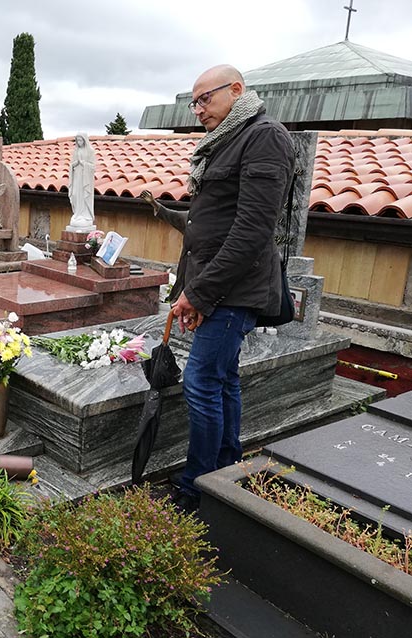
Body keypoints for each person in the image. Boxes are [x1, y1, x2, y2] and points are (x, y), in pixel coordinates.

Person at [148, 65, 294, 512]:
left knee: (201, 381)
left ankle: (197, 487)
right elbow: (207, 225)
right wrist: (190, 290)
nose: (197, 111)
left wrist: (201, 292)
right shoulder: (228, 139)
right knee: (223, 378)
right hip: (220, 287)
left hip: (237, 289)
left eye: (204, 100)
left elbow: (252, 230)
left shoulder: (264, 137)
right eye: (193, 103)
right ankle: (227, 471)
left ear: (235, 90)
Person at [67, 132, 96, 229]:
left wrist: (84, 164)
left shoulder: (90, 151)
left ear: (84, 140)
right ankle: (77, 214)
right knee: (75, 194)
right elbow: (71, 165)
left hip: (86, 179)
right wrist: (75, 164)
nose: (78, 142)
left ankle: (85, 215)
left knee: (84, 196)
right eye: (77, 140)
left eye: (80, 140)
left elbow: (93, 166)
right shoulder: (76, 151)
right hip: (77, 176)